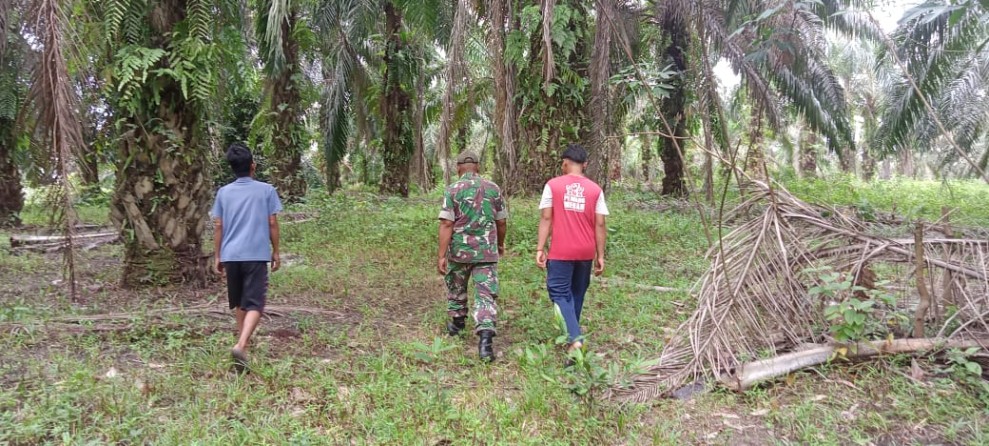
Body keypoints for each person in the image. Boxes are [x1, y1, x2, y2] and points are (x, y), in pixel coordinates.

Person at [212, 143, 283, 372]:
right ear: (253, 166)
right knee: (256, 303)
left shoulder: (223, 193)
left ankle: (243, 345)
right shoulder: (266, 190)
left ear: (232, 168)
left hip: (231, 255)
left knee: (240, 302)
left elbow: (218, 226)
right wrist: (276, 250)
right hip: (255, 254)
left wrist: (217, 255)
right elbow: (272, 222)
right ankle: (241, 345)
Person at [535, 144, 609, 356]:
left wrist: (540, 247)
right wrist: (600, 255)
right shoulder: (596, 190)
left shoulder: (553, 185)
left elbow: (547, 218)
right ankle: (572, 341)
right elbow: (600, 224)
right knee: (577, 292)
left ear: (565, 163)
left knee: (559, 292)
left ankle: (575, 339)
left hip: (561, 250)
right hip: (586, 250)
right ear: (585, 165)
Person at [437, 151, 508, 362]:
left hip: (460, 252)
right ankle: (485, 342)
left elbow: (446, 223)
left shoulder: (452, 190)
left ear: (458, 168)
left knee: (457, 286)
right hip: (486, 252)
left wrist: (441, 255)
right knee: (485, 295)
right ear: (478, 167)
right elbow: (501, 222)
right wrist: (500, 244)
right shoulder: (493, 189)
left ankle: (456, 324)